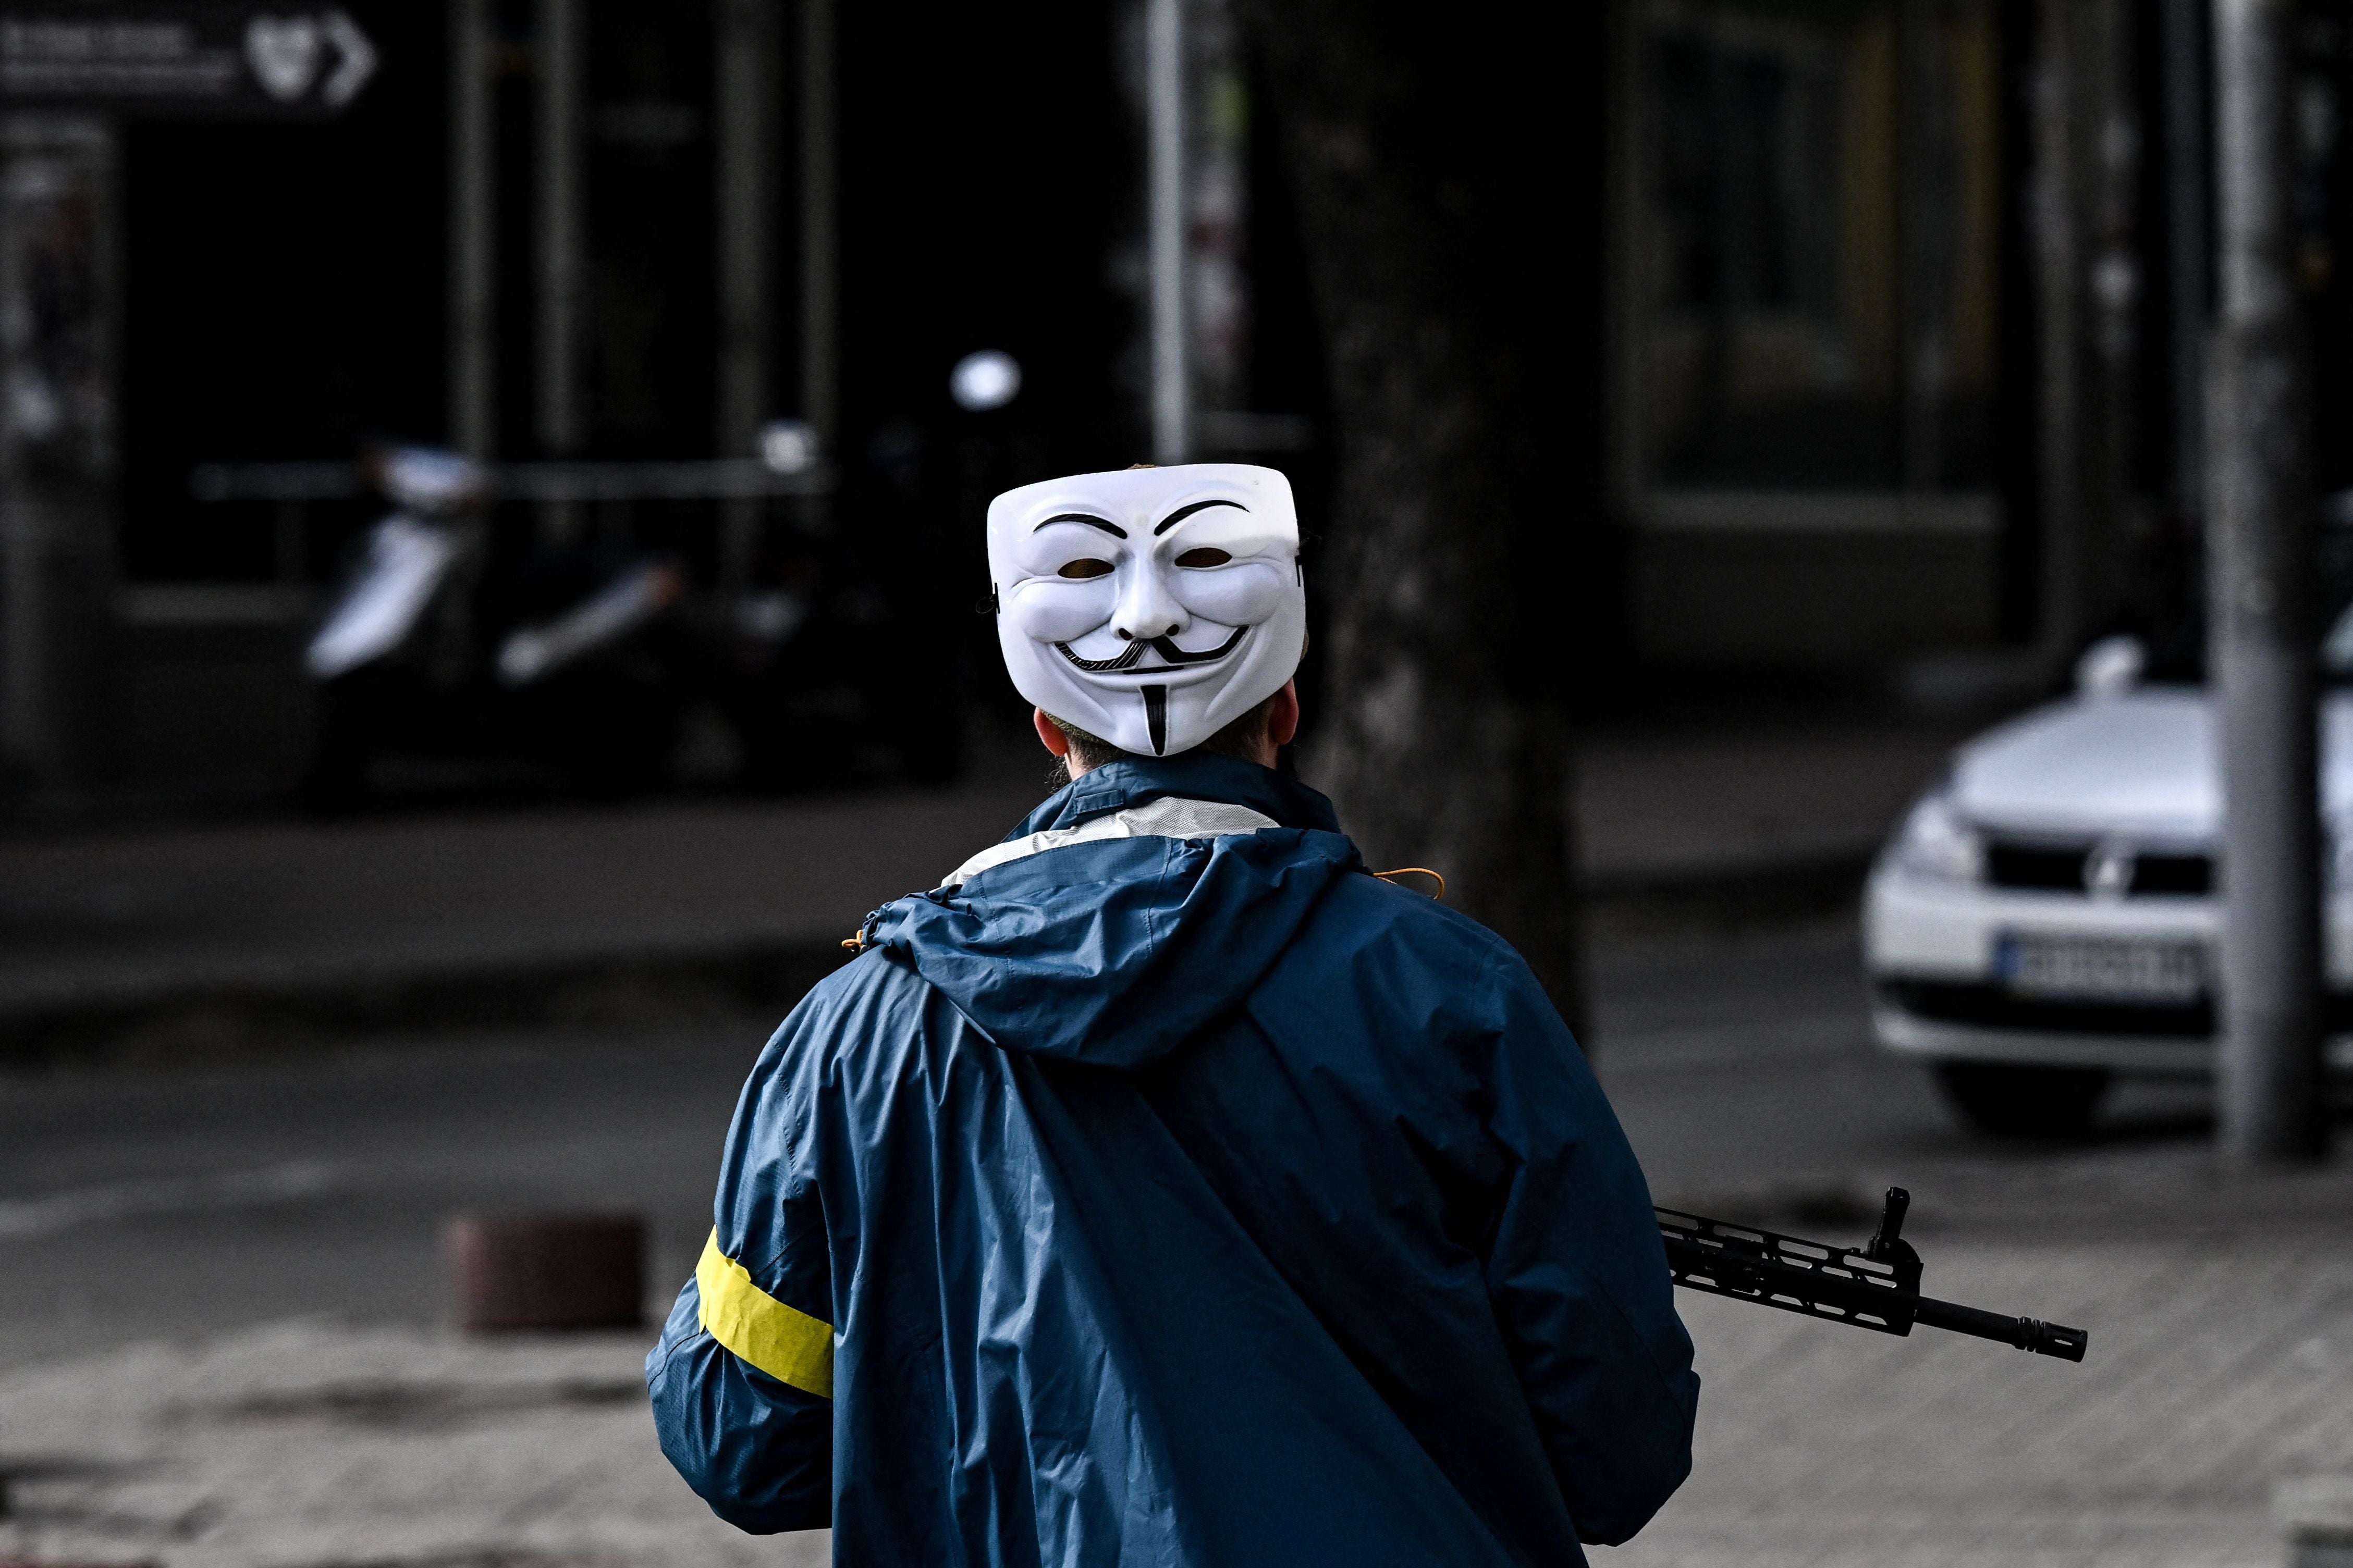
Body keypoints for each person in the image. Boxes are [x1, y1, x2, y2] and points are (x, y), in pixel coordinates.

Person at [647, 462, 1699, 1565]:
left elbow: (740, 1442)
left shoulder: (857, 1030)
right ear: (1288, 708)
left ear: (1049, 725)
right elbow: (1616, 1450)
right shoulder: (1450, 989)